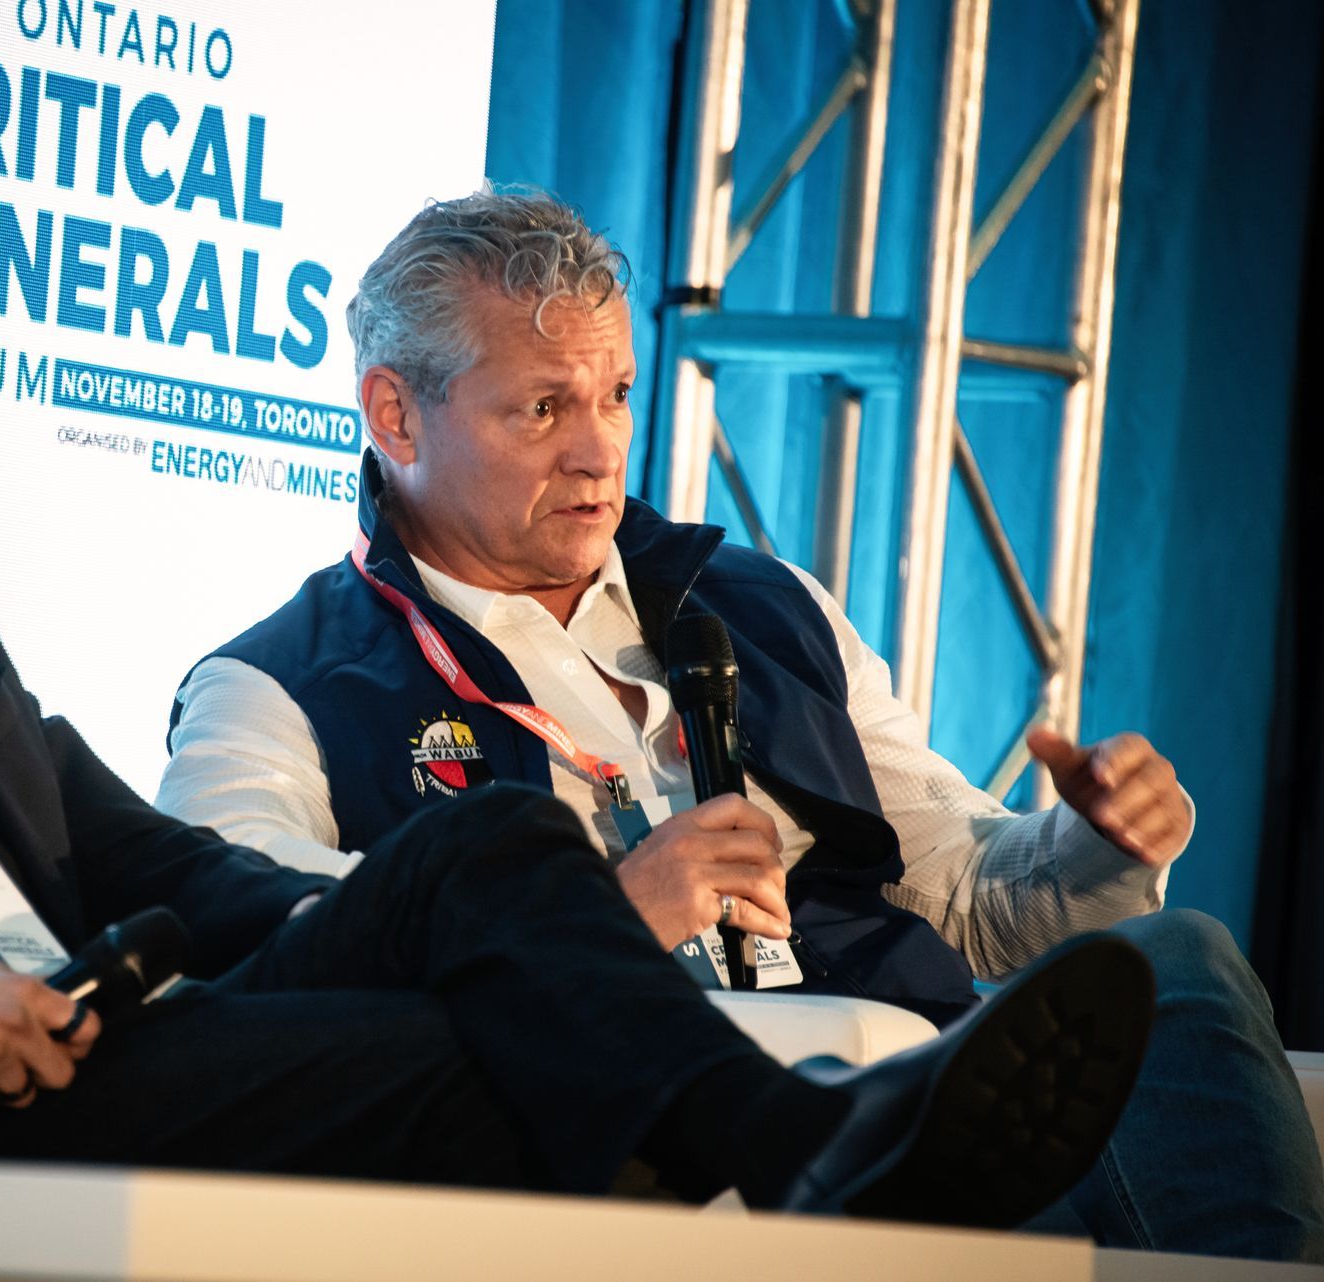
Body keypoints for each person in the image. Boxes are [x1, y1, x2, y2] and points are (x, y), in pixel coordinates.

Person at [0, 35, 1154, 1225]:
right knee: (518, 1066)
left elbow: (149, 853)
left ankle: (817, 1151)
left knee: (481, 858)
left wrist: (437, 916)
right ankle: (822, 1156)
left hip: (120, 1025)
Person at [157, 190, 1324, 1261]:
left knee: (1170, 965)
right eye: (543, 407)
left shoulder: (767, 608)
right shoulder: (278, 692)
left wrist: (1094, 846)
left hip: (910, 1121)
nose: (600, 448)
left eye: (615, 394)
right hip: (637, 1165)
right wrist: (599, 922)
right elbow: (256, 971)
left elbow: (973, 899)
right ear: (395, 416)